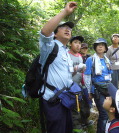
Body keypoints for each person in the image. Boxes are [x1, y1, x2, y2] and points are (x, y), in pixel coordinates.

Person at [39, 2, 77, 133]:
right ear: (55, 34)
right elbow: (44, 32)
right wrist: (65, 12)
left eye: (70, 28)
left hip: (65, 99)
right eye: (63, 27)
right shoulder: (50, 47)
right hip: (52, 100)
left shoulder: (65, 52)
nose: (68, 29)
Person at [84, 38, 112, 133]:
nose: (100, 46)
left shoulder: (107, 60)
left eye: (102, 45)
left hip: (107, 88)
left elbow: (110, 74)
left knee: (109, 111)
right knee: (104, 113)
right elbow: (87, 76)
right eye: (98, 45)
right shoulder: (90, 59)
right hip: (97, 89)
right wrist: (88, 91)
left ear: (105, 48)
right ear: (95, 48)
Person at [68, 36, 93, 132]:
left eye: (79, 43)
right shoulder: (67, 55)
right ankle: (77, 127)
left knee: (84, 105)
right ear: (70, 44)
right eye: (75, 42)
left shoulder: (79, 56)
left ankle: (84, 121)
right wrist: (76, 69)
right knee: (75, 107)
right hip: (71, 86)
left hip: (80, 85)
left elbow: (81, 73)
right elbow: (65, 72)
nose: (78, 45)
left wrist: (84, 83)